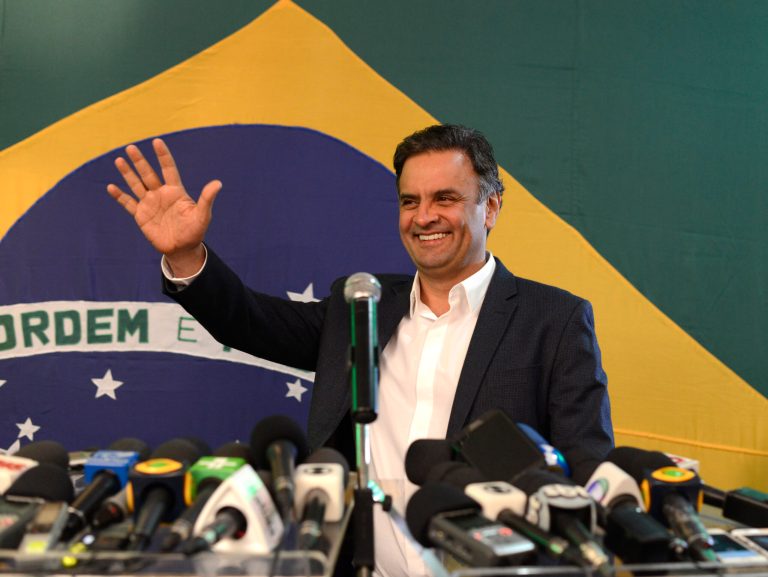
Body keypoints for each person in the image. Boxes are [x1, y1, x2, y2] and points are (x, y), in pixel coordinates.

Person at [108, 124, 613, 577]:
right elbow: (250, 321)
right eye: (410, 201)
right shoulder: (361, 305)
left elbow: (587, 467)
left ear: (492, 207)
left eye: (445, 198)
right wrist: (185, 255)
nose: (424, 217)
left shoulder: (555, 320)